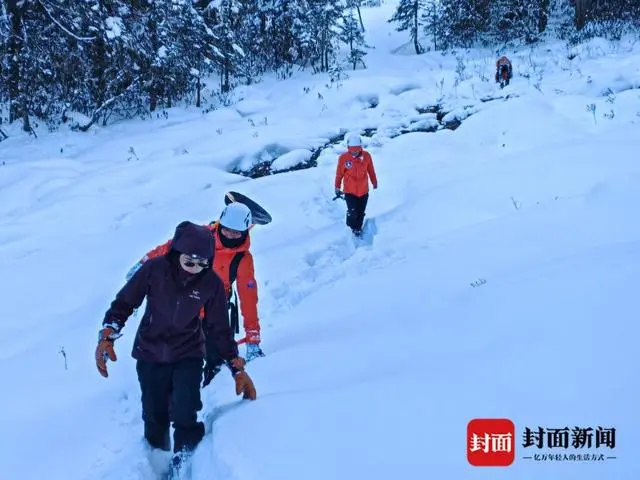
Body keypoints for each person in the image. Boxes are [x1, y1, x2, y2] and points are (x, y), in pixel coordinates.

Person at [95, 221, 257, 468]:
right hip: (149, 351)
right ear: (177, 252)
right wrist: (108, 334)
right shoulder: (154, 270)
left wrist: (237, 367)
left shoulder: (210, 283)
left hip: (188, 353)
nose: (195, 268)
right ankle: (157, 458)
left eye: (203, 263)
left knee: (186, 409)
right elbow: (124, 303)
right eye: (190, 262)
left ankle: (186, 459)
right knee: (154, 412)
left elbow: (220, 329)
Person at [126, 201, 265, 364]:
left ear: (245, 232)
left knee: (214, 363)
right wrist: (143, 264)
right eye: (226, 230)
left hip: (212, 315)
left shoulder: (242, 259)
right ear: (220, 224)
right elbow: (169, 247)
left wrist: (252, 337)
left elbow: (248, 298)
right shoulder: (201, 236)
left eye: (236, 233)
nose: (229, 235)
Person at [334, 133, 378, 236]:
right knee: (353, 212)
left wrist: (374, 181)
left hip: (363, 190)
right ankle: (350, 228)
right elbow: (339, 174)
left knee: (361, 212)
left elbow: (371, 170)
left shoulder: (367, 156)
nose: (354, 152)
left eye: (357, 150)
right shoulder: (343, 158)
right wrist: (337, 187)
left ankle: (357, 228)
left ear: (360, 148)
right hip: (350, 191)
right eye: (352, 150)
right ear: (348, 148)